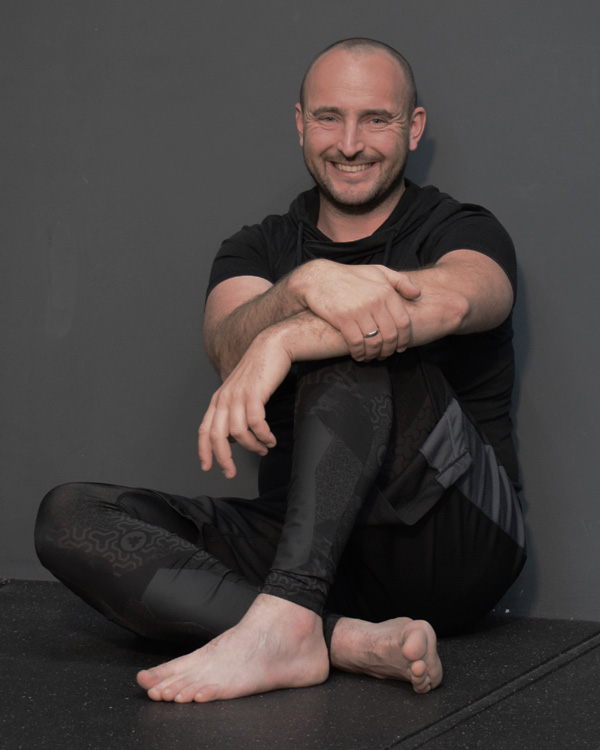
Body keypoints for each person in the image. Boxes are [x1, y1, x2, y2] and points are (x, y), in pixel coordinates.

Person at [34, 37, 526, 703]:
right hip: (311, 549)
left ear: (413, 128)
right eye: (328, 117)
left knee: (350, 348)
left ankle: (289, 614)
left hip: (451, 541)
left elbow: (461, 298)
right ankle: (331, 637)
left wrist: (288, 339)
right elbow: (225, 341)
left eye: (375, 120)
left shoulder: (462, 229)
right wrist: (303, 284)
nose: (349, 143)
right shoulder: (258, 248)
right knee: (70, 516)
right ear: (300, 122)